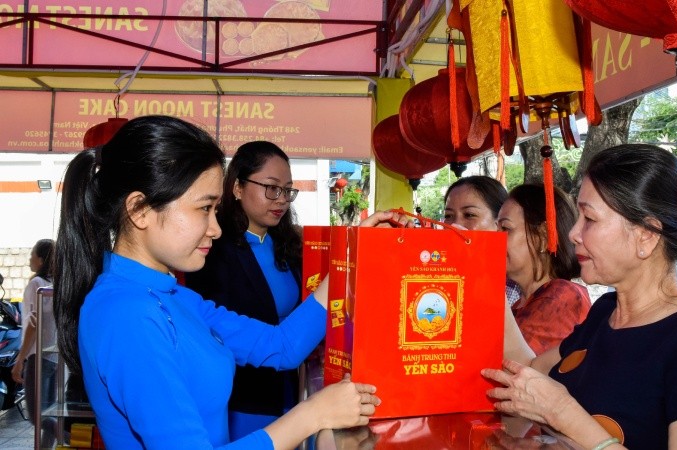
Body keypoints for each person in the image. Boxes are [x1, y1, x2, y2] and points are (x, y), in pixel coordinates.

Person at [52, 115, 396, 450]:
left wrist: (348, 259)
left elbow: (281, 346)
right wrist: (311, 415)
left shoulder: (173, 297)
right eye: (204, 209)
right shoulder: (125, 314)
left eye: (215, 211)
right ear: (139, 209)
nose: (215, 229)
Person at [483, 144, 677, 450]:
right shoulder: (606, 312)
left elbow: (560, 410)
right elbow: (529, 374)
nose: (573, 233)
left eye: (589, 219)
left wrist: (563, 414)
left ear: (646, 236)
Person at [184, 141, 304, 439]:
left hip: (289, 393)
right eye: (272, 188)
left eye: (287, 190)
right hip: (243, 400)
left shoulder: (289, 246)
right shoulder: (212, 251)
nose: (282, 200)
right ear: (237, 187)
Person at [498, 184, 590, 355]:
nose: (496, 239)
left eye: (505, 229)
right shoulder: (522, 302)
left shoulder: (563, 297)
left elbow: (516, 369)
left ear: (542, 238)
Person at [442, 176, 522, 304]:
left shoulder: (518, 287)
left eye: (469, 215)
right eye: (448, 216)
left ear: (500, 223)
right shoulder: (437, 272)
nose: (454, 226)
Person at [11, 239, 56, 446]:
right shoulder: (55, 284)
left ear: (41, 259)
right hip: (55, 357)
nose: (30, 258)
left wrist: (20, 359)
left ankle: (66, 435)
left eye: (32, 254)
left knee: (35, 415)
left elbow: (32, 323)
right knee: (48, 411)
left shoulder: (35, 285)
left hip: (37, 356)